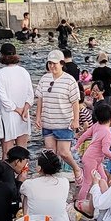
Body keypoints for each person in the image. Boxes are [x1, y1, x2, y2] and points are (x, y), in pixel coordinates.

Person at [34, 49, 81, 187]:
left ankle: (76, 169)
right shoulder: (44, 79)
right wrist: (38, 117)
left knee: (64, 152)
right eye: (50, 63)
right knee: (51, 153)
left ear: (61, 63)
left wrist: (76, 120)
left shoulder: (69, 80)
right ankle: (54, 177)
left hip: (64, 122)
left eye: (55, 63)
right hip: (48, 121)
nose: (52, 66)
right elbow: (40, 99)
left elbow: (75, 102)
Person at [74, 102, 111, 211]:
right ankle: (80, 204)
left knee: (103, 178)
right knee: (87, 182)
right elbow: (105, 150)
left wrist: (76, 146)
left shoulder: (96, 125)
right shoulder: (108, 133)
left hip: (94, 158)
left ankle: (104, 200)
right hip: (92, 159)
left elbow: (84, 135)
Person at [0, 42, 34, 154]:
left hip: (8, 115)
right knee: (23, 151)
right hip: (24, 115)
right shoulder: (24, 71)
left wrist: (17, 110)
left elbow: (3, 99)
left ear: (2, 55)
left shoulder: (0, 74)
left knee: (7, 152)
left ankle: (8, 167)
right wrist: (24, 109)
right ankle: (24, 167)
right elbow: (30, 95)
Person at [21, 150, 71, 221]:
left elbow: (21, 190)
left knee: (26, 195)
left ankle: (26, 220)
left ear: (39, 168)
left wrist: (22, 179)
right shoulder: (65, 181)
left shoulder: (29, 184)